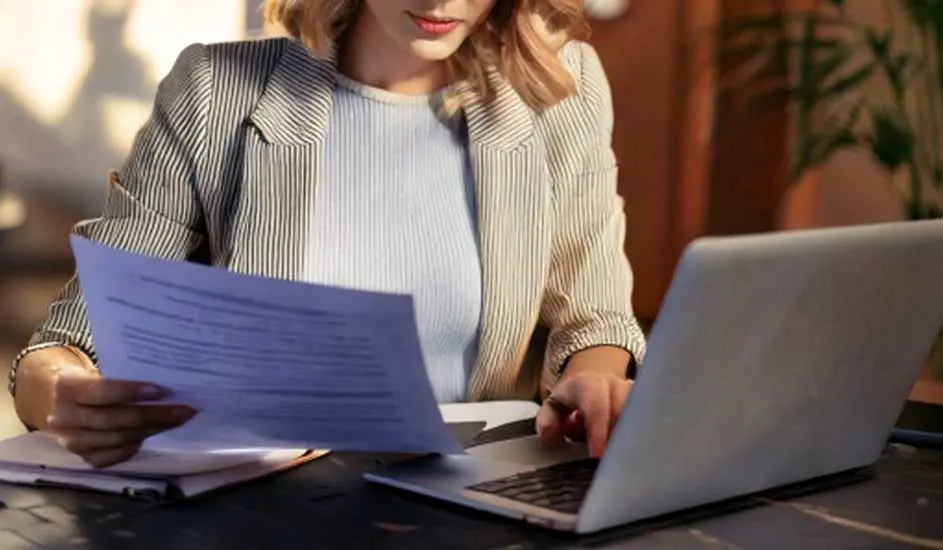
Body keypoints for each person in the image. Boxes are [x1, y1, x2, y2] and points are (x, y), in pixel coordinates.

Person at [10, 0, 647, 467]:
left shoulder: (562, 89)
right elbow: (70, 339)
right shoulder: (215, 92)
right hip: (262, 504)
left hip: (460, 504)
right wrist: (62, 395)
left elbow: (594, 319)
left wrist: (592, 379)